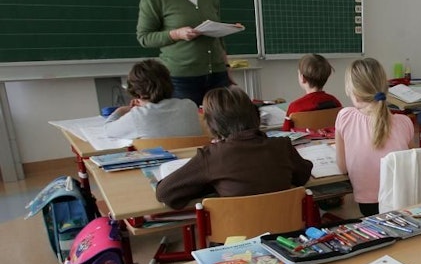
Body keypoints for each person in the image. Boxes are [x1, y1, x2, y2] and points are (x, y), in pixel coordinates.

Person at [156, 87, 312, 210]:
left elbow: (165, 193)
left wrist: (209, 185)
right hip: (286, 237)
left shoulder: (212, 156)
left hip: (235, 245)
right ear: (255, 115)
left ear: (212, 124)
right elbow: (303, 175)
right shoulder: (282, 146)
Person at [136, 0, 242, 105]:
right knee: (190, 127)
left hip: (217, 75)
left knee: (223, 126)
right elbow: (144, 37)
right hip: (181, 79)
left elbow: (219, 39)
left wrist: (226, 68)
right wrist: (176, 34)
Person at [335, 58, 415, 216]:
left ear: (355, 93)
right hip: (402, 202)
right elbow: (412, 166)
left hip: (368, 204)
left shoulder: (345, 117)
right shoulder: (405, 123)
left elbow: (343, 168)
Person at [103, 59, 202, 140]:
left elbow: (108, 130)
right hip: (190, 160)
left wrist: (122, 110)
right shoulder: (189, 105)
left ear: (137, 91)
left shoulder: (138, 115)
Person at [282, 54, 343, 131]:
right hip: (330, 142)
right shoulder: (335, 102)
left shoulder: (295, 107)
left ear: (302, 78)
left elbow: (286, 132)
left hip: (303, 142)